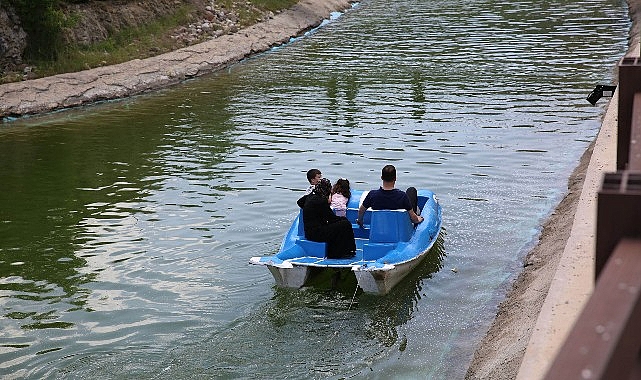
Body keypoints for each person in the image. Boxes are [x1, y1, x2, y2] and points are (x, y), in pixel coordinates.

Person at [297, 178, 356, 259]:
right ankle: (341, 252)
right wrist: (343, 219)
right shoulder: (321, 201)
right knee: (345, 224)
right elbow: (331, 218)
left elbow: (299, 202)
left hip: (309, 231)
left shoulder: (311, 196)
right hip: (316, 233)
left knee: (341, 223)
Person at [356, 165, 424, 227]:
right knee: (411, 190)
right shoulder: (402, 196)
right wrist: (418, 219)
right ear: (395, 178)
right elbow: (412, 217)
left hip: (380, 227)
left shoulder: (372, 195)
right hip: (398, 227)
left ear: (381, 177)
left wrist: (360, 220)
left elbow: (361, 211)